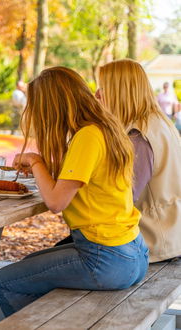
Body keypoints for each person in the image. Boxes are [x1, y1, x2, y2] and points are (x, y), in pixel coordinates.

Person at [0, 67, 148, 317]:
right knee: (28, 266)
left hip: (106, 258)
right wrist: (44, 169)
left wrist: (35, 161)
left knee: (2, 282)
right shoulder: (106, 128)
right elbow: (88, 179)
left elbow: (56, 201)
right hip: (134, 251)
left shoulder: (87, 136)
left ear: (53, 106)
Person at [98, 59, 181, 262]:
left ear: (120, 91)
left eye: (103, 88)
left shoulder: (138, 136)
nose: (97, 94)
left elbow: (120, 198)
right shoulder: (158, 121)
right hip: (168, 233)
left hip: (151, 240)